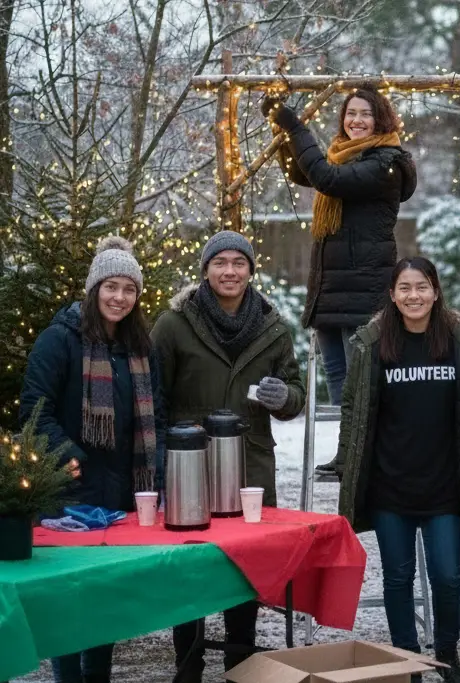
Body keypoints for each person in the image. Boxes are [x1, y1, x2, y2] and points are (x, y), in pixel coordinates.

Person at [151, 231, 306, 681]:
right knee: (191, 564)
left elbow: (295, 393)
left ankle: (240, 660)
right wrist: (162, 453)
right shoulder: (174, 324)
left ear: (250, 271)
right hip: (189, 463)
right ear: (205, 269)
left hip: (251, 465)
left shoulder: (272, 327)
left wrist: (285, 397)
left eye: (240, 262)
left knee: (246, 566)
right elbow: (154, 395)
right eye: (220, 262)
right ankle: (189, 662)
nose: (230, 271)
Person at [20, 236, 166, 683]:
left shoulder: (140, 348)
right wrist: (72, 459)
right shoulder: (59, 339)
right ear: (93, 289)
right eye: (111, 287)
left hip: (122, 491)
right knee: (69, 598)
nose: (119, 298)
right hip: (70, 492)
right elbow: (34, 409)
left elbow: (156, 411)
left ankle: (98, 676)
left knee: (104, 598)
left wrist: (153, 466)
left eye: (129, 289)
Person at [335, 257, 460, 683]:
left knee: (447, 576)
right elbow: (353, 409)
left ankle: (447, 654)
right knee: (398, 577)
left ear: (436, 291)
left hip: (443, 489)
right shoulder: (372, 344)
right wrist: (346, 461)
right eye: (405, 288)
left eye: (422, 287)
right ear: (392, 294)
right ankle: (408, 658)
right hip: (391, 487)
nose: (413, 295)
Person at [263, 84, 417, 473]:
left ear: (380, 119)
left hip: (363, 287)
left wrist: (296, 127)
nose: (357, 121)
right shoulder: (342, 157)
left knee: (360, 379)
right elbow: (303, 171)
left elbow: (326, 179)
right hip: (332, 287)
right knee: (338, 378)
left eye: (365, 114)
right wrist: (282, 135)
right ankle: (349, 452)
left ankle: (368, 455)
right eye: (350, 114)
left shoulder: (386, 163)